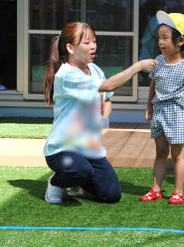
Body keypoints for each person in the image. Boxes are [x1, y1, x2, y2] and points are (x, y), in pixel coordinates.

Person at [42, 22, 157, 204]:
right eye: (86, 42)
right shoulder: (66, 75)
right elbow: (108, 86)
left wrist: (104, 115)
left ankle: (75, 183)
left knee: (111, 195)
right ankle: (56, 182)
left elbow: (107, 97)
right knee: (79, 170)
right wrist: (139, 66)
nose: (93, 46)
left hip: (90, 148)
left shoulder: (95, 70)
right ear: (70, 48)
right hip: (62, 149)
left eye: (94, 41)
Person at [140, 11, 184, 205]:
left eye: (165, 38)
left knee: (177, 155)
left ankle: (178, 192)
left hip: (178, 114)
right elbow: (153, 85)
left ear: (181, 41)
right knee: (160, 153)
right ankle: (156, 189)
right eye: (160, 38)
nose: (161, 42)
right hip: (159, 113)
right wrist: (149, 105)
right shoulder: (158, 62)